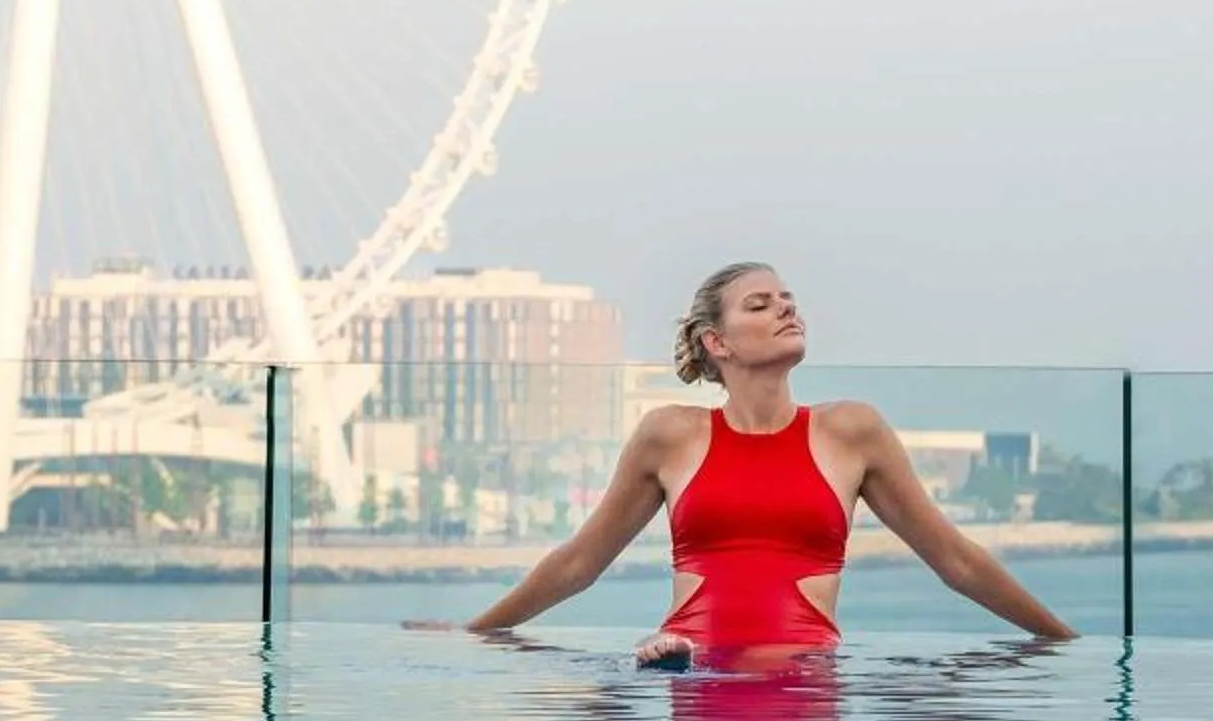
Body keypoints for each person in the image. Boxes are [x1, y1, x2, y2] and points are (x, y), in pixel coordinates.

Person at [455, 262, 1074, 664]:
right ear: (716, 343)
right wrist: (475, 632)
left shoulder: (852, 431)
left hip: (806, 668)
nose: (785, 309)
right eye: (760, 304)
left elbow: (957, 562)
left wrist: (1062, 640)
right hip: (686, 659)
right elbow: (580, 562)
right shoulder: (669, 434)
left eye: (788, 299)